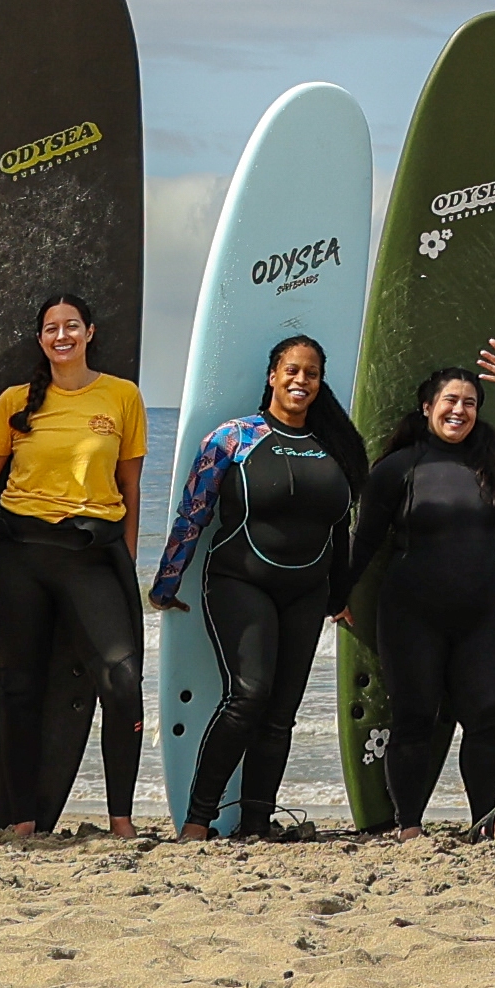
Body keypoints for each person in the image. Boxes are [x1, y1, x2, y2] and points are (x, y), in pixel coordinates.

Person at [0, 291, 155, 838]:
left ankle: (121, 819)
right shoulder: (15, 402)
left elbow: (130, 486)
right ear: (41, 339)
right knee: (21, 688)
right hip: (20, 557)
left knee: (123, 680)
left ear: (90, 332)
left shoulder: (122, 397)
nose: (62, 335)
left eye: (72, 325)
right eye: (52, 328)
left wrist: (124, 561)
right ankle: (24, 821)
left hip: (90, 556)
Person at [148, 332, 366, 841]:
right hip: (239, 581)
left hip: (307, 592)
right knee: (249, 696)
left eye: (311, 373)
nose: (301, 380)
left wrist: (341, 597)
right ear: (272, 375)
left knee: (281, 714)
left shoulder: (333, 444)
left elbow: (340, 530)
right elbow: (193, 514)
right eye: (292, 370)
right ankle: (199, 820)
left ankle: (255, 822)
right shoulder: (234, 437)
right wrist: (166, 582)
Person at [347, 354, 495, 833]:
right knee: (414, 718)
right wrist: (336, 595)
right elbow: (365, 541)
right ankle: (409, 825)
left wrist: (483, 585)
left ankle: (483, 822)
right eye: (451, 400)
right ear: (427, 406)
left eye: (470, 403)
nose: (460, 410)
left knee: (488, 718)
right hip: (412, 616)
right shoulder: (398, 469)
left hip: (478, 620)